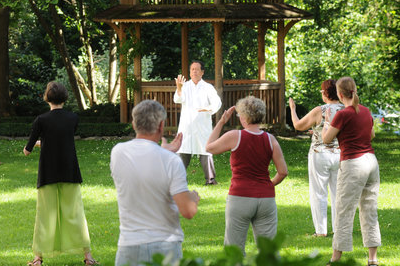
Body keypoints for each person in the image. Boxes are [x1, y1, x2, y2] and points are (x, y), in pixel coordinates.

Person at [110, 100, 200, 266]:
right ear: (161, 126)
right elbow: (188, 211)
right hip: (165, 246)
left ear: (133, 124)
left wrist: (164, 151)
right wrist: (193, 199)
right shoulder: (171, 161)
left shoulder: (118, 153)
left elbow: (144, 161)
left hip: (129, 246)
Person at [23, 81, 98, 266]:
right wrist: (46, 142)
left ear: (47, 97)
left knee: (44, 215)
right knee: (76, 212)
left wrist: (39, 144)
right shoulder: (73, 118)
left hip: (48, 173)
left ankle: (38, 258)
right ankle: (88, 257)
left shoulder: (41, 120)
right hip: (70, 171)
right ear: (65, 97)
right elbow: (63, 136)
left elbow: (27, 150)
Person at [206, 96, 288, 255]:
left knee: (234, 251)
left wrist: (221, 122)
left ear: (244, 117)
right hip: (266, 199)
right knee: (268, 253)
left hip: (240, 197)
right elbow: (283, 171)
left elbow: (209, 148)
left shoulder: (235, 136)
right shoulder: (270, 139)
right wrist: (269, 184)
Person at [322, 77, 380, 266]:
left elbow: (326, 139)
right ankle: (372, 259)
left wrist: (326, 123)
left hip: (353, 164)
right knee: (370, 210)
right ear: (354, 90)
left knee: (344, 210)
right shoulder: (365, 111)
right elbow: (371, 135)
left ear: (339, 94)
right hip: (371, 162)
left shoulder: (342, 114)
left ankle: (335, 258)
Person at [289, 79, 344, 237]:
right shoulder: (346, 109)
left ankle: (321, 231)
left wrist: (293, 109)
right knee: (337, 193)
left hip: (319, 154)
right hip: (340, 155)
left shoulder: (320, 110)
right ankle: (338, 229)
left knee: (318, 192)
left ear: (326, 93)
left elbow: (298, 125)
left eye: (322, 90)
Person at [174, 60, 222, 185]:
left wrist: (209, 108)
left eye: (196, 69)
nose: (194, 71)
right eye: (192, 69)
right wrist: (179, 88)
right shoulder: (185, 85)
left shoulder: (208, 87)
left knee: (205, 150)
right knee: (183, 151)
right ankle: (178, 180)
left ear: (202, 72)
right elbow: (178, 99)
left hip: (202, 126)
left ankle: (210, 180)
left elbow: (217, 102)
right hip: (187, 126)